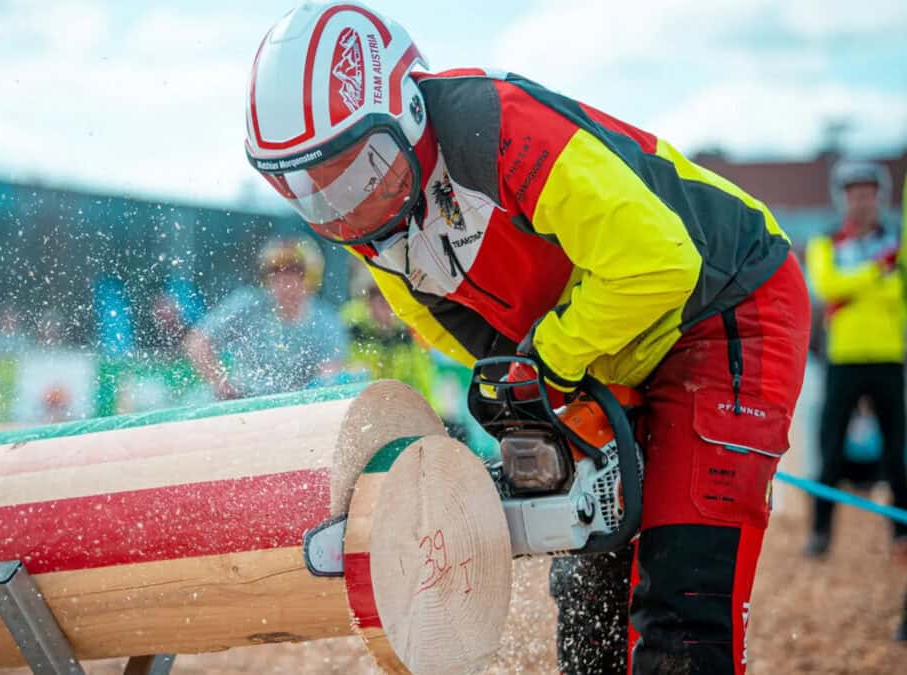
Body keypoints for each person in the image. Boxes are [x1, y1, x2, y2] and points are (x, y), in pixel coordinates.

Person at [242, 4, 809, 673]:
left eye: (361, 171)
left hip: (723, 303)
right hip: (609, 351)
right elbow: (474, 342)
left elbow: (662, 263)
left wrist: (552, 361)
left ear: (408, 114)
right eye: (310, 191)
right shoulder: (371, 231)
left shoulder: (498, 126)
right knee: (589, 591)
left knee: (684, 596)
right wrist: (531, 385)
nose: (344, 210)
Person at [804, 160, 907, 558]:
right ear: (843, 198)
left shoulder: (897, 240)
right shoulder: (826, 242)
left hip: (888, 358)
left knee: (897, 454)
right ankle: (820, 534)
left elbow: (897, 293)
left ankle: (901, 534)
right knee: (829, 451)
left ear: (879, 197)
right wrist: (879, 271)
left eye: (868, 193)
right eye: (854, 194)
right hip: (843, 360)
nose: (862, 202)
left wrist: (861, 282)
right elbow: (827, 285)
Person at [185, 238, 347, 399]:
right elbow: (197, 341)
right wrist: (222, 384)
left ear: (310, 277)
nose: (283, 279)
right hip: (245, 400)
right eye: (275, 271)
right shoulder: (248, 304)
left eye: (293, 271)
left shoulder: (325, 321)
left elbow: (328, 377)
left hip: (295, 405)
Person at [341, 263, 433, 396]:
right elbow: (340, 367)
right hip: (363, 401)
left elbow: (424, 380)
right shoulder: (352, 326)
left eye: (388, 295)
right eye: (376, 295)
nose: (384, 303)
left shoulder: (408, 331)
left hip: (400, 403)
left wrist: (434, 412)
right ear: (366, 300)